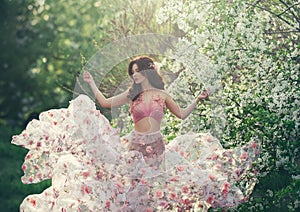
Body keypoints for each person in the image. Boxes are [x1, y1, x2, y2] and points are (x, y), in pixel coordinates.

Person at [12, 55, 260, 211]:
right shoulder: (133, 95)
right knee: (131, 193)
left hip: (158, 148)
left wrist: (198, 99)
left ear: (147, 70)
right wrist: (91, 83)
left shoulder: (162, 95)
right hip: (134, 149)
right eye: (132, 72)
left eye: (137, 70)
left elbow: (182, 115)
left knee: (158, 191)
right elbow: (105, 102)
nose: (134, 75)